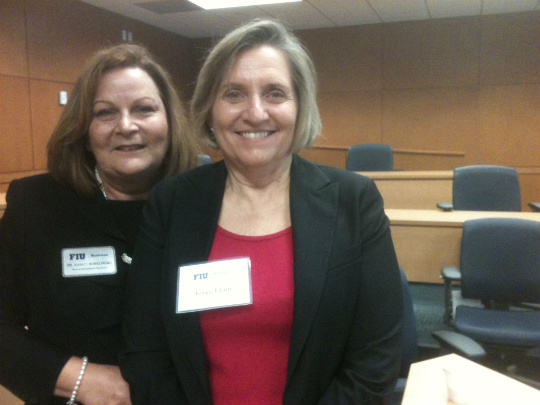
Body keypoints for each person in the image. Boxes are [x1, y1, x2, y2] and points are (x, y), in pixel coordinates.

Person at [121, 19, 403, 405]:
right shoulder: (171, 203)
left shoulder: (354, 201)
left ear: (300, 106)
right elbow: (145, 348)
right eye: (234, 94)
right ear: (209, 109)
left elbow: (376, 359)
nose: (255, 113)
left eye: (275, 94)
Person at [0, 43, 199, 405]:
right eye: (106, 113)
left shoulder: (206, 202)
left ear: (170, 121)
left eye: (144, 109)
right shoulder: (36, 204)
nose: (126, 126)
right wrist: (80, 380)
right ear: (84, 131)